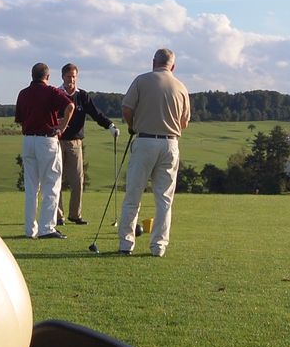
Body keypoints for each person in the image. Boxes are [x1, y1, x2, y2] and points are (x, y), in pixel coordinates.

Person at [117, 48, 190, 257]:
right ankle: (159, 246)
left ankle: (126, 243)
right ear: (173, 66)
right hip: (170, 143)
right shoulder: (181, 87)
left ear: (153, 62)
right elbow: (184, 122)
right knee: (164, 199)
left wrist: (132, 125)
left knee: (133, 194)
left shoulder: (141, 81)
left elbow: (127, 108)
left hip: (145, 140)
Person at [14, 62, 74, 240]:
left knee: (31, 187)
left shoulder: (23, 93)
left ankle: (29, 229)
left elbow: (20, 119)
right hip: (46, 140)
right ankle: (47, 228)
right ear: (47, 76)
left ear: (32, 76)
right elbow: (69, 106)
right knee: (51, 184)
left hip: (28, 140)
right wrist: (61, 127)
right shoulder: (51, 92)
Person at [55, 62, 119, 227]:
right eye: (69, 76)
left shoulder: (82, 96)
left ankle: (75, 215)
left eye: (74, 77)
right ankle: (58, 216)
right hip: (57, 141)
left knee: (77, 180)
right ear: (63, 77)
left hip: (75, 142)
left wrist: (110, 126)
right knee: (56, 180)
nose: (72, 80)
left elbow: (96, 113)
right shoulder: (55, 94)